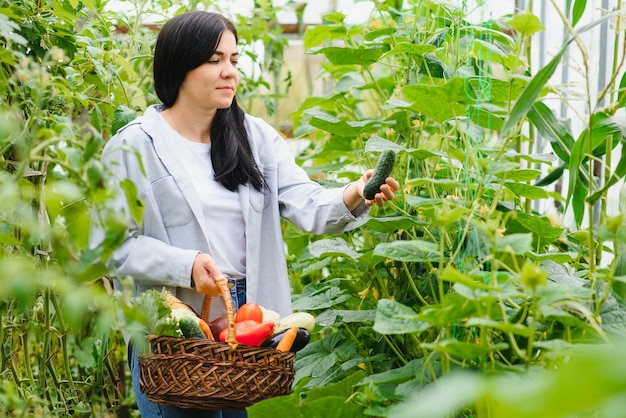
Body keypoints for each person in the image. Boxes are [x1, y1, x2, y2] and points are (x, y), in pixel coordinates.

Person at [91, 9, 399, 418]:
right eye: (214, 60)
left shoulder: (256, 138)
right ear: (179, 67)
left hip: (250, 325)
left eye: (234, 60)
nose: (229, 72)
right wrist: (186, 265)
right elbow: (108, 245)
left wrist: (355, 192)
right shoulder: (133, 147)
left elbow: (306, 203)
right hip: (177, 330)